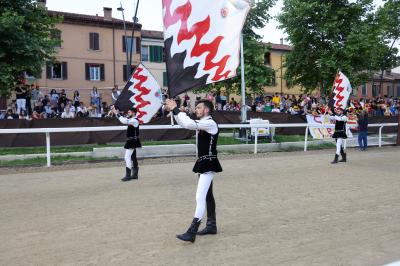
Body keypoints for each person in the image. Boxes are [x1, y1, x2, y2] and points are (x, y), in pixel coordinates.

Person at [165, 99, 223, 243]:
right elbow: (184, 124)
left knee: (200, 197)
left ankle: (192, 231)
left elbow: (189, 123)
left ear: (207, 110)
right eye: (196, 107)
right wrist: (174, 111)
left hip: (208, 163)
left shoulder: (209, 123)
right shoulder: (203, 124)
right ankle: (211, 225)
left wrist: (176, 109)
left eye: (199, 108)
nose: (196, 110)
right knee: (207, 195)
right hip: (204, 162)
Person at [111, 106, 141, 181]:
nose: (128, 113)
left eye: (129, 112)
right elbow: (125, 119)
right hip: (132, 141)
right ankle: (135, 175)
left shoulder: (134, 120)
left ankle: (128, 176)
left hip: (132, 142)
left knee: (127, 157)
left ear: (133, 113)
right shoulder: (132, 119)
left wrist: (117, 113)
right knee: (133, 157)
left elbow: (124, 121)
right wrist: (116, 113)